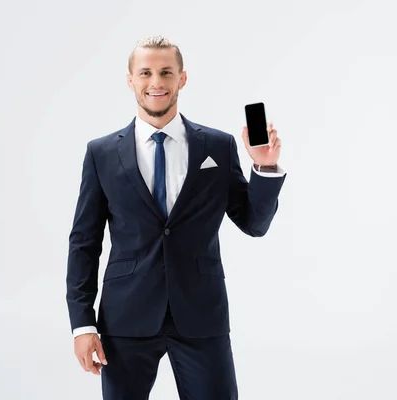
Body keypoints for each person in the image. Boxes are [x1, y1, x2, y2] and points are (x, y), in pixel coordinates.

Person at [65, 35, 287, 399]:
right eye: (146, 73)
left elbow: (254, 224)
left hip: (201, 314)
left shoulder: (218, 146)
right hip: (126, 318)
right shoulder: (101, 153)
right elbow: (84, 244)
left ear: (182, 78)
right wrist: (82, 324)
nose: (156, 82)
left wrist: (264, 168)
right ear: (130, 79)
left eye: (166, 72)